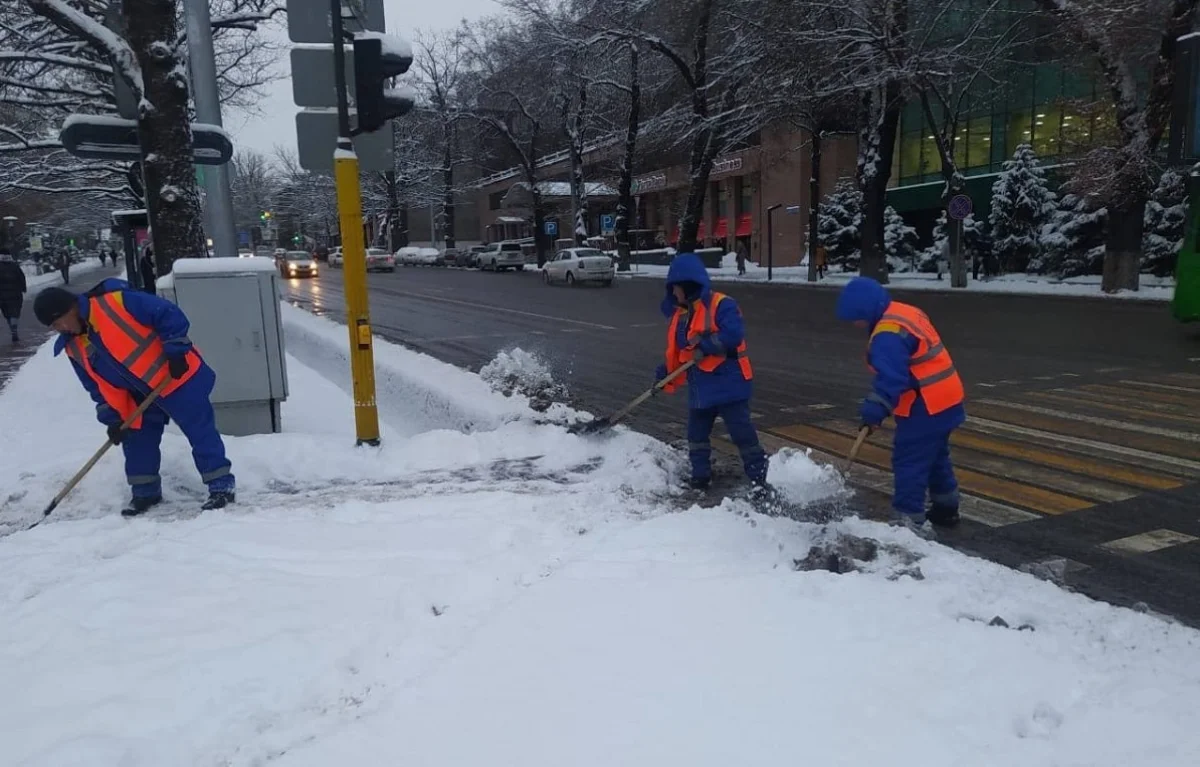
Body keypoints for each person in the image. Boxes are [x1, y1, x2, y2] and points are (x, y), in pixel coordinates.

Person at [33, 278, 236, 515]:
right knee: (137, 441)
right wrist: (113, 419)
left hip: (175, 377)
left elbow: (168, 313)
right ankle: (145, 493)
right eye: (54, 327)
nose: (61, 330)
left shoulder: (116, 302)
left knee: (200, 431)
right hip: (137, 395)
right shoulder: (73, 346)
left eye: (59, 322)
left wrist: (176, 350)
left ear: (71, 309)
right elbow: (96, 388)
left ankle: (221, 486)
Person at [835, 276, 965, 536]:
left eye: (856, 318)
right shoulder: (904, 311)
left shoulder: (888, 335)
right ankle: (946, 506)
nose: (855, 325)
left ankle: (908, 524)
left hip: (925, 404)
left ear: (866, 311)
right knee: (936, 454)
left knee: (910, 461)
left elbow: (892, 379)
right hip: (947, 398)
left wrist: (874, 411)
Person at [655, 253, 769, 495]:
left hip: (729, 382)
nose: (673, 293)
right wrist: (665, 374)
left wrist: (706, 346)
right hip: (701, 387)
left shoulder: (722, 304)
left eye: (675, 288)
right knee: (696, 435)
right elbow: (680, 354)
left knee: (742, 434)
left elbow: (733, 334)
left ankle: (759, 481)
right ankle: (700, 478)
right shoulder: (681, 316)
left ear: (687, 285)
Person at [0, 247, 26, 343]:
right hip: (15, 293)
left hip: (2, 295)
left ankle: (12, 328)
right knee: (14, 312)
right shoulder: (14, 266)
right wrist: (23, 288)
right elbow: (21, 277)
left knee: (6, 313)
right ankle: (14, 329)